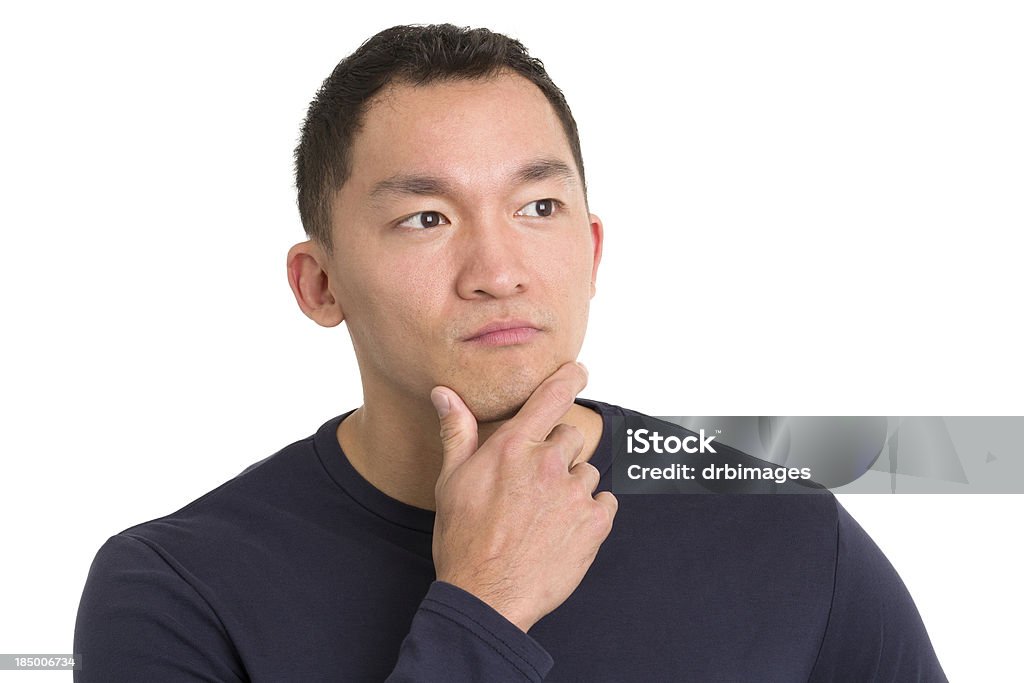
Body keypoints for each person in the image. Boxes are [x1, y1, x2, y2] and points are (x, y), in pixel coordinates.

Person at [73, 24, 947, 681]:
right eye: (428, 218)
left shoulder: (788, 537)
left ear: (593, 252)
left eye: (538, 208)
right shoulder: (177, 589)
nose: (498, 271)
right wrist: (482, 607)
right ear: (320, 286)